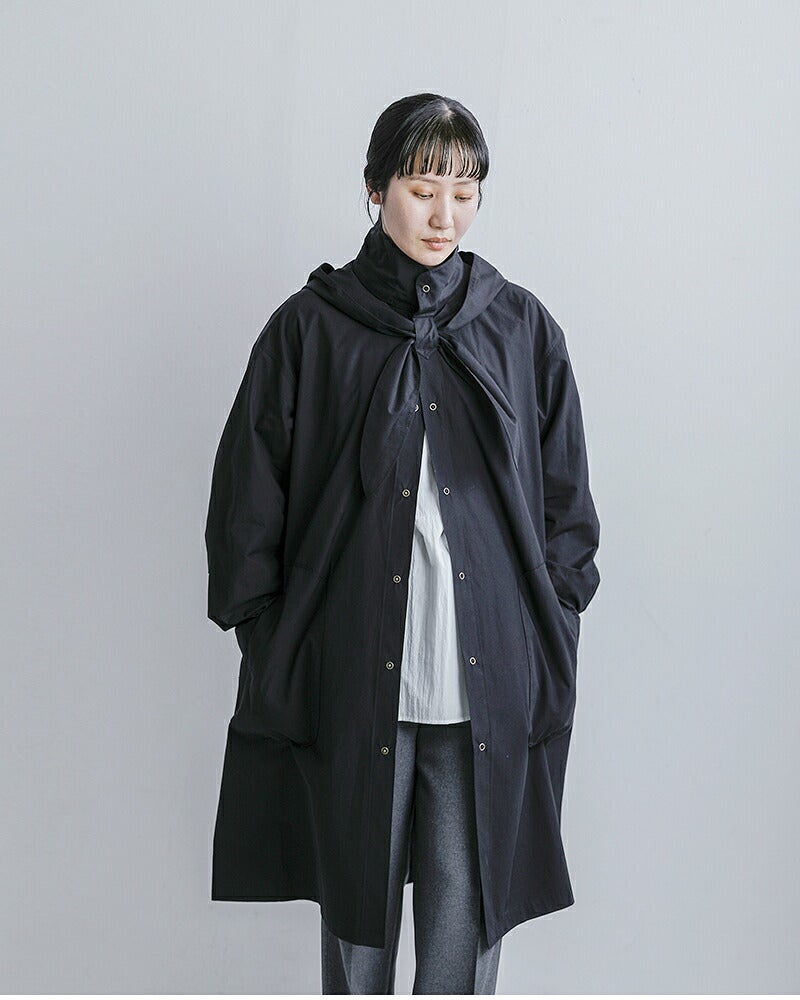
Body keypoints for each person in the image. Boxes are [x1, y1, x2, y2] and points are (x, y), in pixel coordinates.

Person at [204, 93, 601, 995]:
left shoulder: (519, 327)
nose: (443, 216)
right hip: (349, 683)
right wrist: (273, 639)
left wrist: (549, 623)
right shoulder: (311, 328)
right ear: (376, 187)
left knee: (467, 938)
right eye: (423, 190)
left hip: (484, 692)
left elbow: (569, 508)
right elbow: (244, 509)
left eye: (464, 193)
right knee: (358, 938)